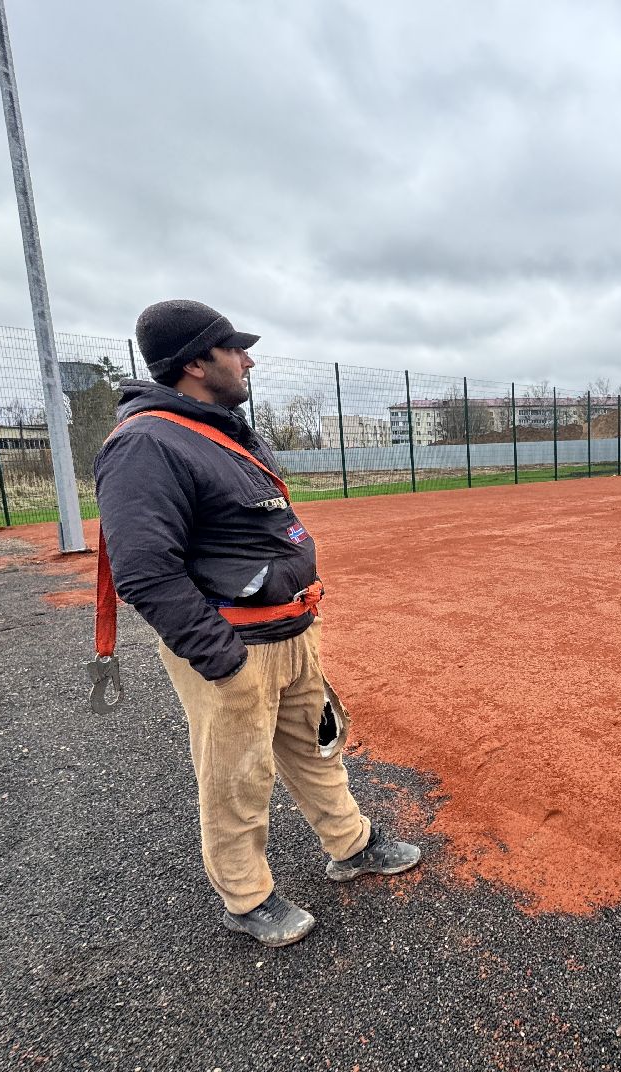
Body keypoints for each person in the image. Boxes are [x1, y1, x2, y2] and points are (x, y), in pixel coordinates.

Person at [94, 299, 419, 947]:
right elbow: (145, 571)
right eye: (233, 349)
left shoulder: (222, 429)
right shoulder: (146, 444)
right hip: (234, 645)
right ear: (195, 363)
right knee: (237, 776)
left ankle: (350, 843)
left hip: (292, 633)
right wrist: (222, 658)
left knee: (317, 746)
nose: (247, 360)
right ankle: (245, 897)